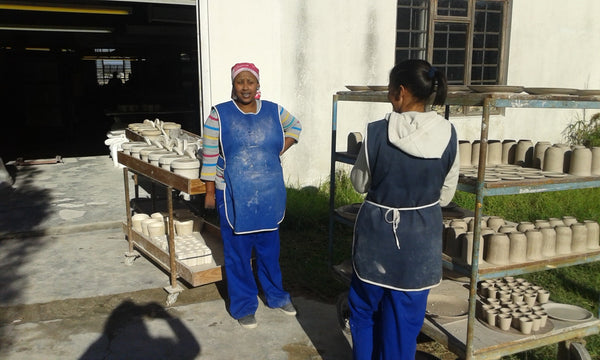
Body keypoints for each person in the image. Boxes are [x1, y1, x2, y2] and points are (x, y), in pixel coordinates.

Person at [348, 59, 459, 359]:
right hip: (420, 243)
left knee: (364, 311)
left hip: (376, 241)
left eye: (389, 90)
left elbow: (359, 184)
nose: (388, 96)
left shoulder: (375, 132)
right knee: (403, 322)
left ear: (400, 92)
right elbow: (446, 197)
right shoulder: (448, 134)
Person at [200, 62, 302, 329]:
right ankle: (243, 305)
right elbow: (209, 154)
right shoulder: (218, 115)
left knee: (269, 249)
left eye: (250, 82)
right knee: (238, 252)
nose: (245, 87)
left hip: (268, 191)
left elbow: (295, 127)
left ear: (258, 85)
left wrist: (279, 149)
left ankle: (277, 297)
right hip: (232, 192)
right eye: (240, 82)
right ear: (233, 85)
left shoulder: (274, 111)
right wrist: (210, 191)